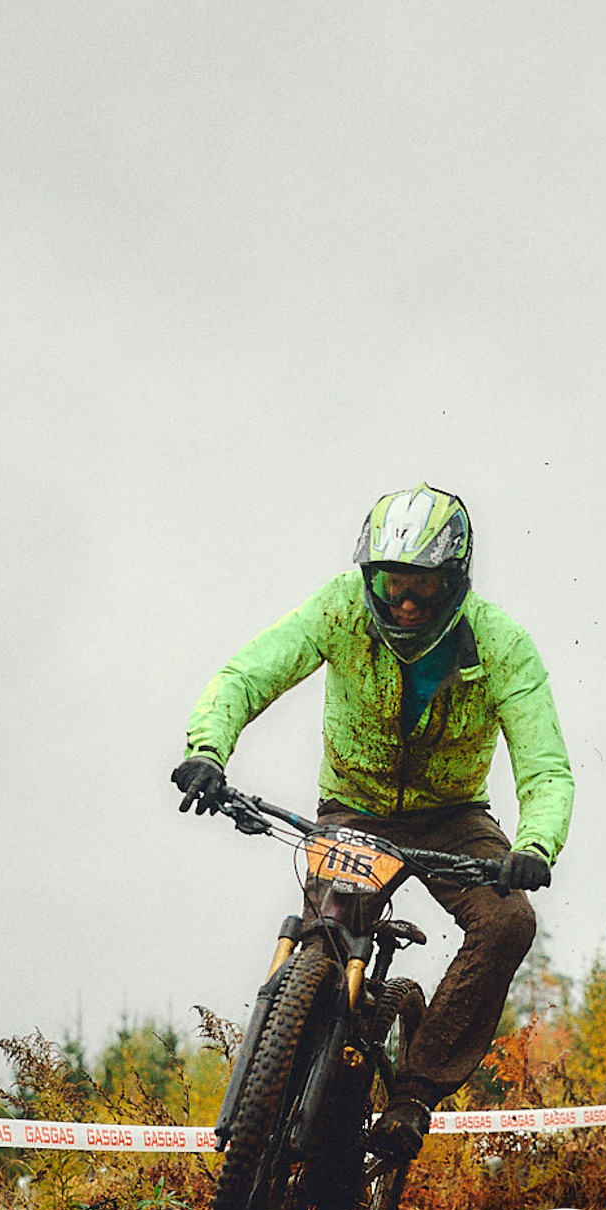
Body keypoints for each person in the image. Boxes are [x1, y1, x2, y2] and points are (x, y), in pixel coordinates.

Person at [171, 484, 572, 1161]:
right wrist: (208, 749)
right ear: (369, 578)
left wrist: (535, 844)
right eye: (390, 584)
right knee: (325, 937)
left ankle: (413, 1093)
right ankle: (281, 1085)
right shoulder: (340, 609)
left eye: (422, 585)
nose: (405, 602)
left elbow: (546, 767)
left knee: (508, 920)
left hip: (452, 819)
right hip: (353, 808)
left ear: (454, 580)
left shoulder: (502, 644)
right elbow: (247, 674)